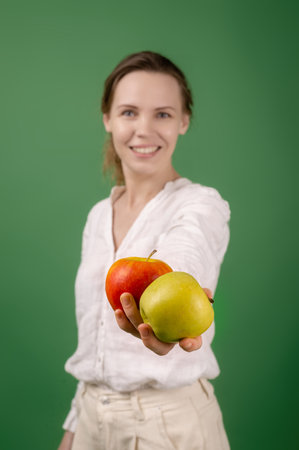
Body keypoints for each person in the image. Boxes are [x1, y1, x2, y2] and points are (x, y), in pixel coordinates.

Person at [58, 50, 231, 450]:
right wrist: (73, 430)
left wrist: (174, 297)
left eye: (163, 114)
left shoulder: (201, 204)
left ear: (184, 121)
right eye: (130, 112)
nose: (144, 129)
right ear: (108, 118)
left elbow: (186, 253)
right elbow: (95, 342)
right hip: (89, 421)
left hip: (169, 429)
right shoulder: (98, 216)